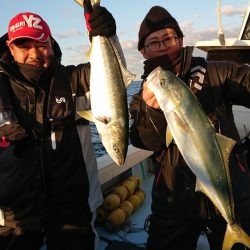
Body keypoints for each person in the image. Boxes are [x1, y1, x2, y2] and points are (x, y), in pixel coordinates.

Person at [129, 5, 250, 250]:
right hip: (174, 201)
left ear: (181, 40)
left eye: (169, 37)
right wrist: (151, 110)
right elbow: (147, 142)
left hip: (230, 192)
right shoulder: (141, 98)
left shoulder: (217, 72)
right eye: (154, 42)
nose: (163, 45)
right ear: (143, 51)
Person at [0, 6, 116, 250]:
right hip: (14, 220)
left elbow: (111, 79)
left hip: (73, 214)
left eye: (41, 44)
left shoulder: (74, 80)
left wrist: (107, 37)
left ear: (52, 45)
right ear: (10, 48)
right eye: (24, 46)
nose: (34, 53)